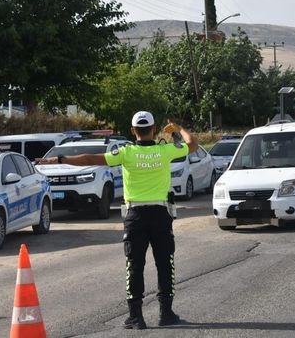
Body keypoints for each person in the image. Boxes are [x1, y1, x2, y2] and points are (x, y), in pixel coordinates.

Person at [36, 111, 198, 330]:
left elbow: (90, 159)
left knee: (134, 265)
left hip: (135, 216)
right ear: (154, 128)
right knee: (164, 263)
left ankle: (136, 317)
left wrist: (60, 159)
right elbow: (192, 144)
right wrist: (177, 127)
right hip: (161, 214)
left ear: (133, 131)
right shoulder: (165, 150)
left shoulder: (125, 152)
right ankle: (166, 313)